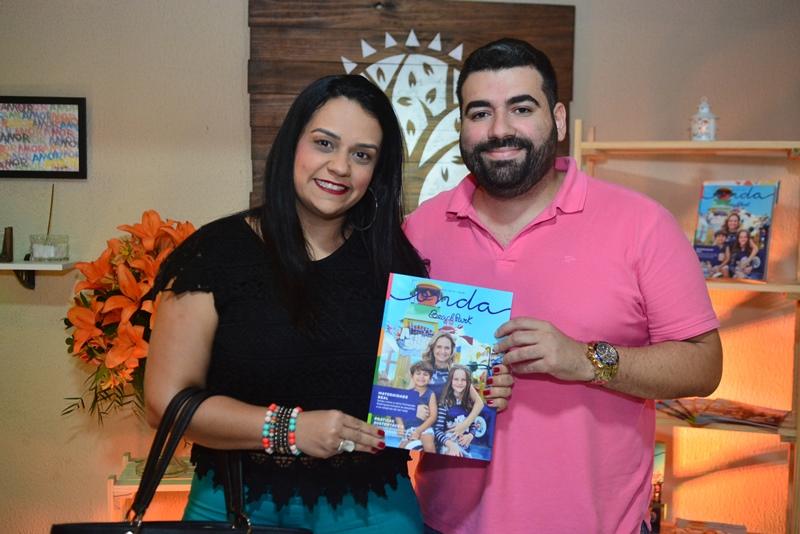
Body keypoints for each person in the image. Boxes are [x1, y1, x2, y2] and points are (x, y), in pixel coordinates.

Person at [143, 74, 520, 533]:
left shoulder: (397, 264)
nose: (340, 167)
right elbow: (164, 403)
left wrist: (477, 383)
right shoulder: (214, 253)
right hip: (236, 505)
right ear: (292, 145)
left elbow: (423, 381)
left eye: (362, 155)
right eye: (324, 143)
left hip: (376, 509)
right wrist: (289, 429)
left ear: (376, 172)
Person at [404, 38, 722, 534]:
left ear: (557, 117)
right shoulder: (420, 229)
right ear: (461, 126)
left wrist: (586, 359)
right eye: (480, 113)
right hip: (446, 525)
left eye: (521, 108)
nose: (499, 129)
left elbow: (704, 365)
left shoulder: (641, 224)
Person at [432, 365, 483, 458]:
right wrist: (451, 445)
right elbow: (438, 430)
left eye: (463, 380)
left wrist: (470, 435)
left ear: (468, 383)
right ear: (450, 381)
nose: (459, 383)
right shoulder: (445, 403)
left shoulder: (469, 403)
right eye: (456, 379)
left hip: (465, 448)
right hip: (449, 446)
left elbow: (472, 424)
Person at [395, 360, 437, 453]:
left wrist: (419, 430)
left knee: (429, 446)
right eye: (418, 373)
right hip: (408, 429)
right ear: (412, 376)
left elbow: (433, 416)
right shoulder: (406, 393)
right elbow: (398, 413)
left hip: (424, 428)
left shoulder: (430, 394)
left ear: (430, 378)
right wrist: (400, 426)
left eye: (425, 374)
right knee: (401, 446)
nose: (421, 377)